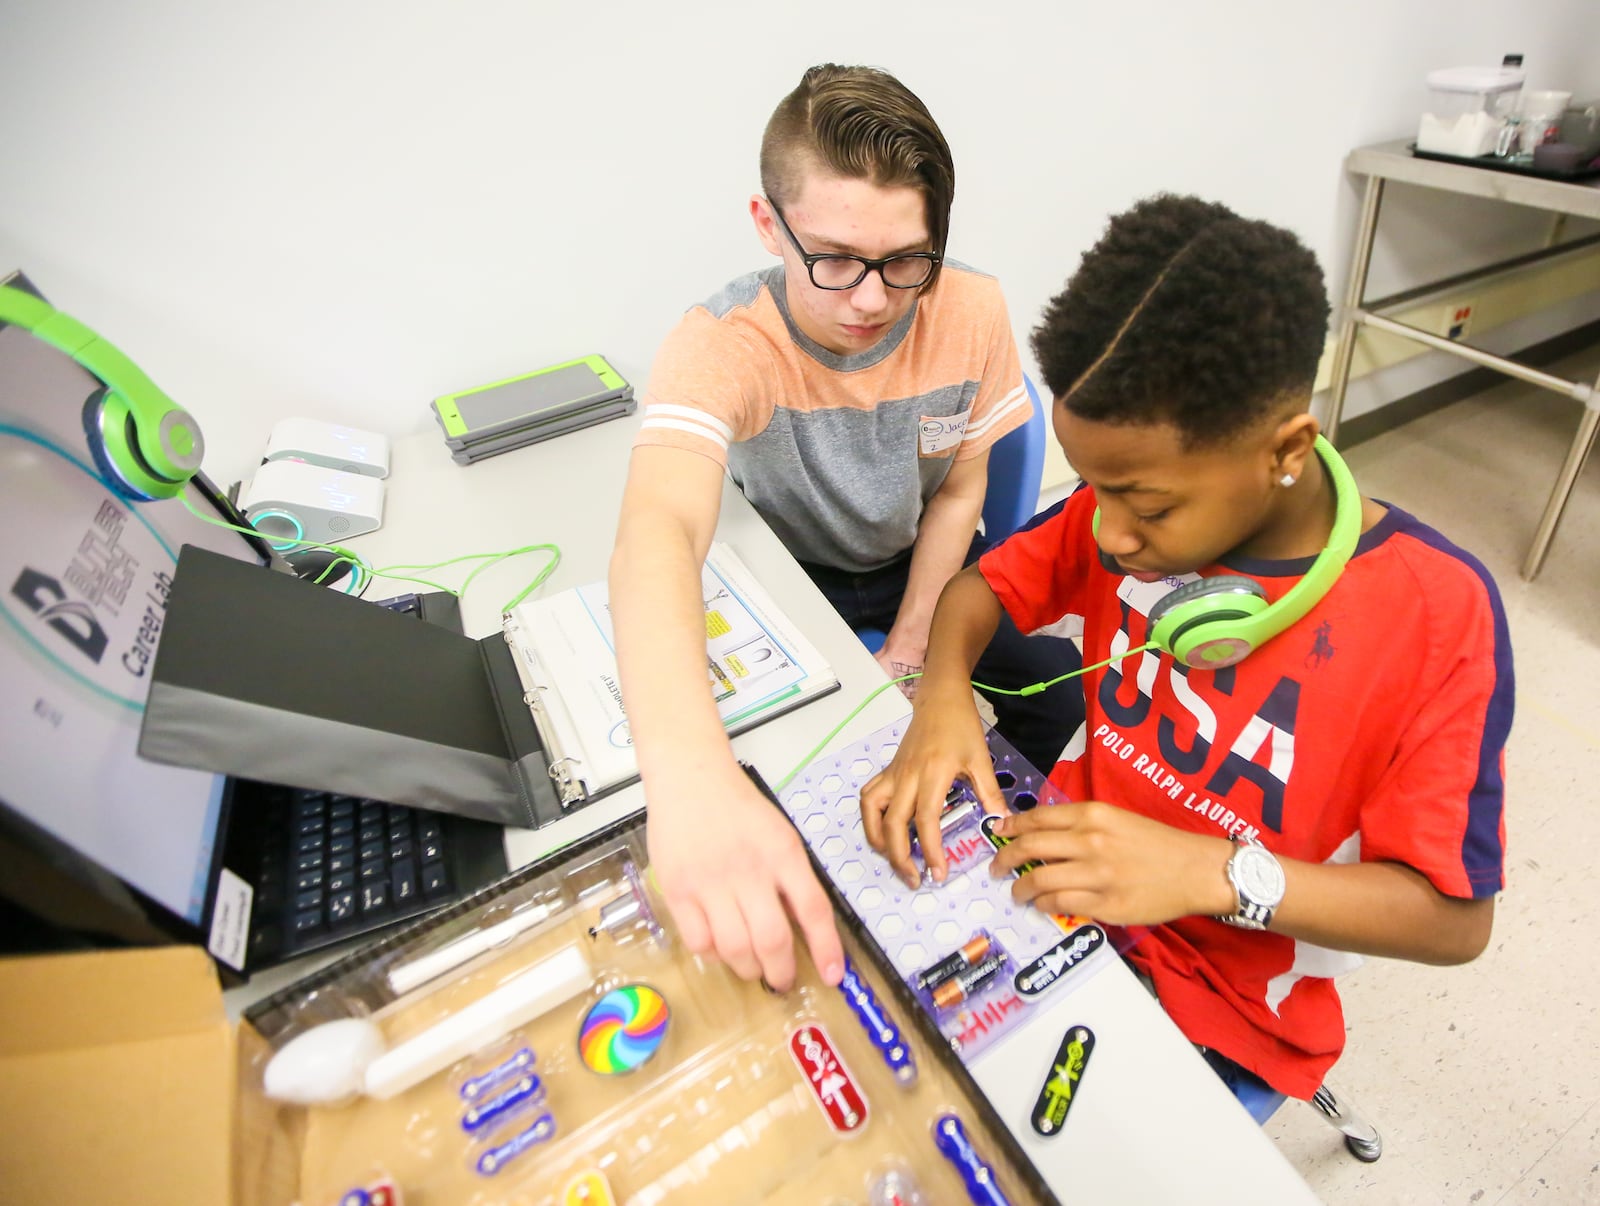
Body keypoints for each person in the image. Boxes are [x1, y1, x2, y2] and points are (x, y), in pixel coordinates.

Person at [858, 194, 1512, 1101]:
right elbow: (978, 590)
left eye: (1150, 508)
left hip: (1223, 1001)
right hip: (1052, 887)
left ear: (1285, 450)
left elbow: (1454, 918)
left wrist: (1208, 871)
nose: (1113, 535)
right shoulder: (1118, 506)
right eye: (1093, 490)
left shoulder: (1436, 614)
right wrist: (940, 702)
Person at [609, 64, 1084, 993]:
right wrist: (689, 780)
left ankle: (1014, 858)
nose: (870, 299)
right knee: (797, 765)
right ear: (766, 225)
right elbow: (658, 529)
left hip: (930, 559)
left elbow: (958, 497)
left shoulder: (971, 308)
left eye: (906, 261)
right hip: (795, 575)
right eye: (831, 259)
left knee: (1060, 700)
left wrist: (911, 650)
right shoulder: (722, 341)